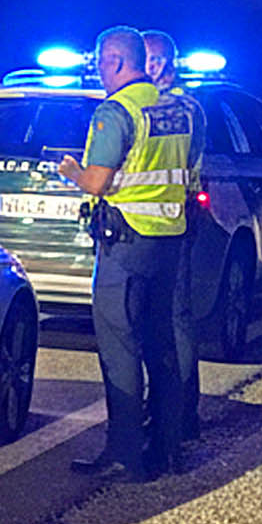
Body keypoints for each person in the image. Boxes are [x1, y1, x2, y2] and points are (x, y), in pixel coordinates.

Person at [57, 25, 195, 480]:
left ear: (115, 60)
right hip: (169, 242)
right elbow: (189, 168)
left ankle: (124, 453)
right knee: (161, 346)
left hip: (125, 244)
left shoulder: (116, 112)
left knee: (119, 348)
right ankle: (169, 449)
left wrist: (71, 171)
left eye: (100, 63)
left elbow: (98, 181)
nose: (98, 72)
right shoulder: (179, 109)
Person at [142, 28, 209, 456]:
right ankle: (174, 411)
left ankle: (181, 411)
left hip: (168, 222)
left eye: (153, 60)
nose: (150, 67)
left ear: (166, 62)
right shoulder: (182, 106)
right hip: (153, 221)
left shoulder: (174, 107)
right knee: (162, 319)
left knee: (173, 319)